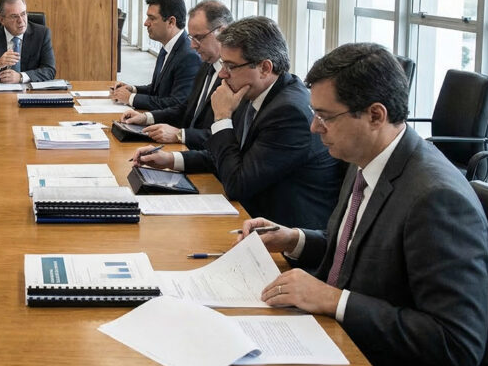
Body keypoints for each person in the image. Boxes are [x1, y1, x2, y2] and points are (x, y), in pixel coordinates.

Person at [241, 43, 488, 366]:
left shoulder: (437, 199)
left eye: (325, 117)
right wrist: (295, 239)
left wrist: (333, 300)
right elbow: (358, 249)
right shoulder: (365, 158)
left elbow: (456, 342)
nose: (314, 128)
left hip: (370, 365)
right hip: (327, 338)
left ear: (375, 115)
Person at [132, 16, 341, 229]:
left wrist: (222, 117)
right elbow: (231, 155)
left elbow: (237, 183)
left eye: (230, 66)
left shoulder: (289, 113)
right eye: (223, 64)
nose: (222, 74)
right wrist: (170, 159)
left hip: (282, 235)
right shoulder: (254, 89)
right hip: (250, 215)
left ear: (265, 68)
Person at [120, 0, 231, 147]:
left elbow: (225, 138)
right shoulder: (207, 64)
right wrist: (146, 117)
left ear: (221, 32)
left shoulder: (233, 76)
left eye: (198, 38)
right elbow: (186, 107)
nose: (192, 45)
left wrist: (180, 135)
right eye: (191, 38)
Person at [110, 0, 200, 110]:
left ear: (171, 22)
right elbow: (158, 89)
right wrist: (131, 89)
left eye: (151, 18)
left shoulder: (189, 56)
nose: (146, 23)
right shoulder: (166, 47)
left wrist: (131, 98)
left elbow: (177, 103)